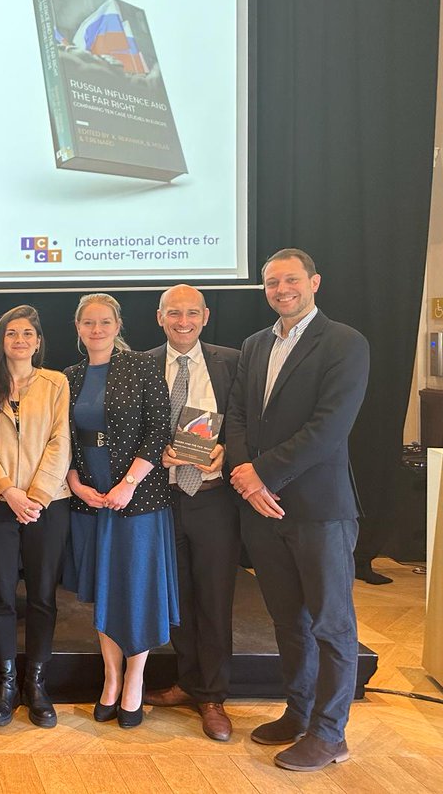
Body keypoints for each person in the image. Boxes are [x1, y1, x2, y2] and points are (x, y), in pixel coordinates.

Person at [224, 248, 369, 771]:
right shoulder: (256, 344)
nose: (281, 289)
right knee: (289, 622)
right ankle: (298, 712)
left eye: (290, 280)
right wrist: (246, 478)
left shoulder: (345, 343)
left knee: (332, 625)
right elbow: (237, 417)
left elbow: (329, 427)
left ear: (314, 282)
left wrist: (263, 474)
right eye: (271, 282)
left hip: (319, 510)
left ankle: (330, 734)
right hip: (263, 509)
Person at [63, 293, 176, 729]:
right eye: (88, 322)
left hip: (138, 500)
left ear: (118, 325)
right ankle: (111, 680)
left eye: (104, 322)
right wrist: (75, 483)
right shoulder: (68, 378)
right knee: (106, 590)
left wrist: (128, 484)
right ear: (77, 328)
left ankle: (135, 681)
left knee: (137, 590)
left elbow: (157, 429)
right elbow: (64, 440)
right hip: (90, 501)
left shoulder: (143, 367)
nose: (96, 329)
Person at [142, 285, 241, 741]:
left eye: (192, 313)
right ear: (160, 317)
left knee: (214, 597)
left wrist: (229, 452)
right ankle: (187, 682)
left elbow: (246, 423)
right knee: (177, 596)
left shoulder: (232, 362)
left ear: (206, 316)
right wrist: (148, 453)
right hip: (162, 498)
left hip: (213, 495)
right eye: (174, 313)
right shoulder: (140, 365)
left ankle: (214, 696)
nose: (183, 321)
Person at [0, 305, 71, 728]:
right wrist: (7, 491)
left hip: (47, 504)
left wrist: (36, 495)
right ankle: (6, 681)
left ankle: (36, 682)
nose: (20, 339)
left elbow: (60, 439)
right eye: (12, 332)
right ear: (2, 340)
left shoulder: (56, 383)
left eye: (27, 332)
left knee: (42, 596)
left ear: (38, 340)